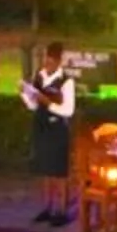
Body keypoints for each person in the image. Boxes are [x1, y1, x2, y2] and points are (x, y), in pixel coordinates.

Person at [20, 41, 77, 186]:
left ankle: (60, 200)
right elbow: (33, 105)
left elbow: (68, 110)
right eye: (45, 61)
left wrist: (48, 103)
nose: (47, 65)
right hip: (41, 125)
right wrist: (25, 94)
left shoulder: (66, 81)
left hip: (57, 129)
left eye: (50, 62)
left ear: (58, 62)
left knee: (57, 170)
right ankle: (47, 200)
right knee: (43, 170)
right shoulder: (39, 76)